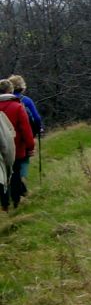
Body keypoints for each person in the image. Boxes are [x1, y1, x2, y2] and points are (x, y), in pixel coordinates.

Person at [0, 79, 35, 211]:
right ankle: (16, 201)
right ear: (10, 90)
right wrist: (30, 146)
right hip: (15, 148)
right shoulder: (17, 107)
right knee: (15, 175)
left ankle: (4, 205)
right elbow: (25, 129)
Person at [8, 74, 42, 195]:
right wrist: (39, 129)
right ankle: (21, 183)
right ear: (22, 87)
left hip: (6, 137)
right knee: (23, 160)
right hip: (23, 137)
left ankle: (14, 185)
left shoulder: (4, 101)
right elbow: (37, 118)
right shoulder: (26, 101)